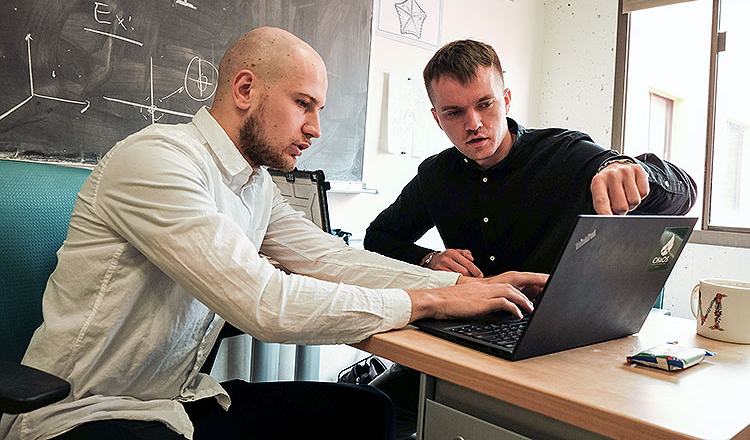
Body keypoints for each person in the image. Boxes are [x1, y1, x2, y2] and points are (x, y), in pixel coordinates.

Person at [0, 28, 548, 440]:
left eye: (319, 110)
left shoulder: (253, 185)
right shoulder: (157, 161)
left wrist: (469, 291)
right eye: (303, 105)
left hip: (177, 400)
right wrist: (429, 301)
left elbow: (329, 258)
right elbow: (264, 303)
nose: (315, 128)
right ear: (245, 88)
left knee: (367, 413)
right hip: (81, 413)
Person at [364, 38, 697, 438]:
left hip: (559, 345)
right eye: (455, 112)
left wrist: (624, 167)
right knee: (369, 415)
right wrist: (427, 260)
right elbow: (379, 236)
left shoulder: (563, 153)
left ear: (505, 98)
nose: (473, 123)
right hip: (467, 336)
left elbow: (684, 192)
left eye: (484, 104)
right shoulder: (435, 175)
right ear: (437, 118)